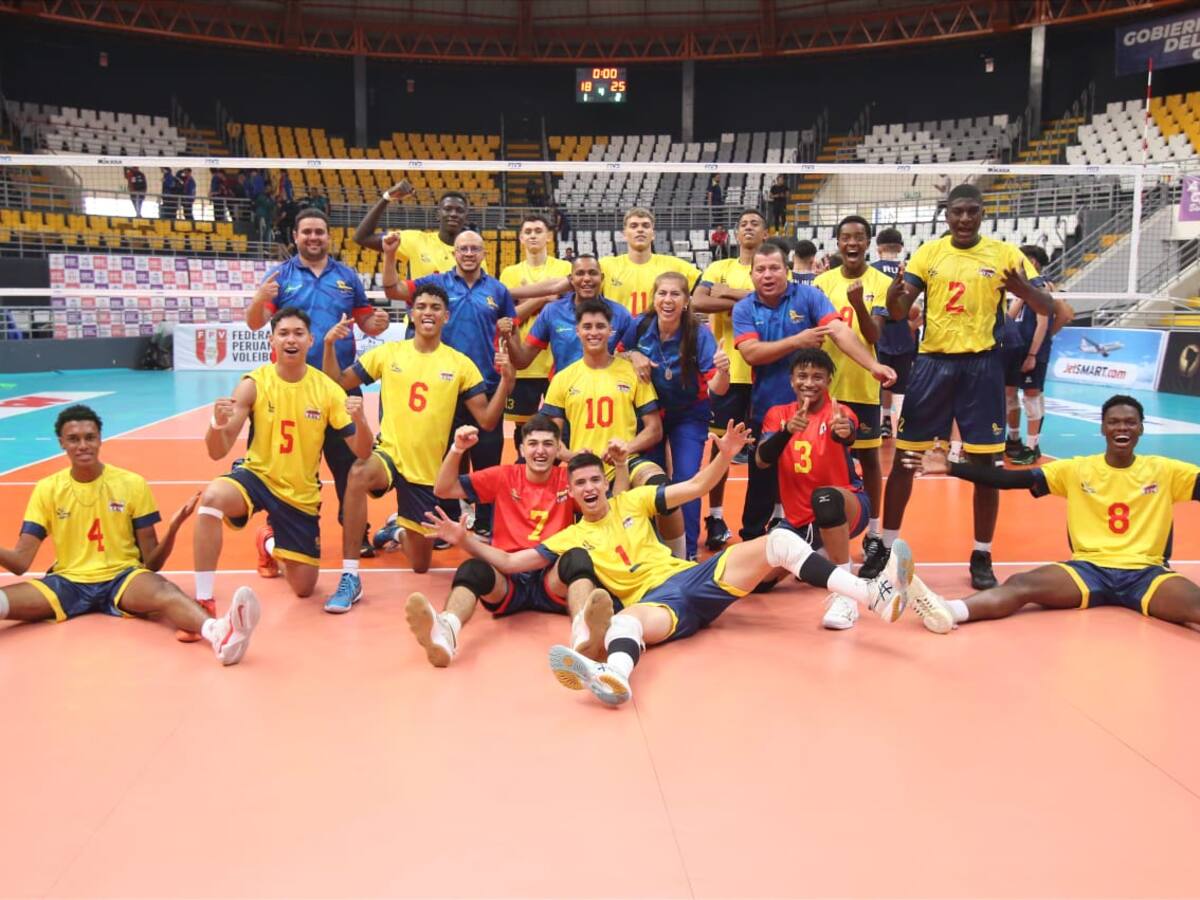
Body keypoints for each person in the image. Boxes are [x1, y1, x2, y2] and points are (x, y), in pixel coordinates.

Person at [426, 427, 913, 708]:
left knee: (779, 540)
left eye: (597, 479)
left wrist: (722, 457)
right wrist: (464, 539)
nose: (591, 488)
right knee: (623, 622)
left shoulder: (635, 499)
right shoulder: (569, 537)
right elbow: (512, 561)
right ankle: (613, 678)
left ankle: (871, 594)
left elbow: (698, 486)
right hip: (662, 609)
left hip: (693, 578)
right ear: (570, 494)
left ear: (604, 483)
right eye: (582, 484)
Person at [872, 182, 1054, 589]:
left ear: (982, 213)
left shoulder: (1005, 255)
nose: (966, 218)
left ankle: (982, 554)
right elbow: (899, 311)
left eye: (973, 211)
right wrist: (895, 295)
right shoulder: (929, 253)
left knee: (985, 464)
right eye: (958, 212)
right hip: (933, 364)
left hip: (982, 367)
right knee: (905, 459)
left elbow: (1050, 309)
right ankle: (885, 546)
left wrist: (1022, 289)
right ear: (947, 214)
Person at [902, 395, 1200, 634]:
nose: (1122, 428)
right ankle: (949, 611)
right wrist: (953, 468)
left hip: (1147, 573)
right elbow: (1011, 480)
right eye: (1114, 422)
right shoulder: (1076, 469)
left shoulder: (1165, 470)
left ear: (1141, 428)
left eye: (1130, 423)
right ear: (1102, 428)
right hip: (1088, 569)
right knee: (1022, 583)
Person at [0, 405, 260, 666]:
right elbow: (21, 562)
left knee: (165, 590)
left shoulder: (131, 483)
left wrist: (172, 529)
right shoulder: (47, 489)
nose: (83, 445)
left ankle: (220, 635)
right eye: (73, 439)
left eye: (90, 437)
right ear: (61, 443)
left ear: (100, 439)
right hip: (67, 582)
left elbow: (152, 564)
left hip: (122, 578)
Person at [320, 284, 514, 610]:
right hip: (390, 455)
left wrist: (507, 382)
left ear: (446, 316)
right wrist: (328, 345)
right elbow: (336, 384)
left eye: (435, 308)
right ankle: (350, 575)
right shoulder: (389, 354)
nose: (428, 312)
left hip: (427, 472)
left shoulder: (460, 364)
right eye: (421, 306)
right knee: (358, 473)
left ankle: (396, 532)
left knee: (421, 565)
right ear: (412, 313)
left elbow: (488, 421)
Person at [192, 307, 374, 634]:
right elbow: (216, 450)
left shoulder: (328, 389)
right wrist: (215, 424)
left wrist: (360, 420)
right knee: (213, 498)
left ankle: (267, 543)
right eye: (284, 333)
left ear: (310, 340)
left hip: (300, 494)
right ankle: (203, 600)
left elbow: (362, 452)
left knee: (304, 588)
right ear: (272, 339)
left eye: (298, 333)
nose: (291, 339)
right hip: (258, 476)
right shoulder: (254, 384)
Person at [405, 415, 614, 665]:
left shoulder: (568, 481)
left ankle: (584, 633)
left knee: (578, 557)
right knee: (472, 570)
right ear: (521, 449)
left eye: (548, 444)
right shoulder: (503, 476)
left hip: (551, 578)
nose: (540, 450)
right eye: (533, 443)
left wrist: (597, 462)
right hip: (507, 581)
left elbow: (609, 506)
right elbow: (444, 489)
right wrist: (457, 449)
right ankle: (445, 631)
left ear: (559, 449)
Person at [244, 208, 390, 555]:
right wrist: (258, 298)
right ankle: (288, 529)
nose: (313, 237)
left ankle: (358, 534)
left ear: (329, 236)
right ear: (295, 236)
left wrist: (378, 322)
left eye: (319, 232)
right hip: (291, 388)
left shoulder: (347, 277)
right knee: (289, 464)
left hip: (339, 384)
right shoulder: (279, 275)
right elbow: (254, 323)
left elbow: (365, 322)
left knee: (349, 465)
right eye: (306, 231)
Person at [733, 242, 896, 541]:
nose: (767, 275)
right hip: (769, 409)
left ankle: (826, 536)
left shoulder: (809, 296)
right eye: (760, 269)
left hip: (814, 410)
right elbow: (751, 353)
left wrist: (872, 364)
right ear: (752, 274)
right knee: (761, 481)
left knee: (820, 476)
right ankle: (754, 541)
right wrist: (798, 340)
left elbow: (839, 330)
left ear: (788, 271)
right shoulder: (744, 308)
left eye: (774, 268)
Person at [382, 229, 517, 537]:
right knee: (447, 460)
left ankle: (485, 523)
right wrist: (390, 255)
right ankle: (448, 521)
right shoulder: (436, 285)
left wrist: (507, 369)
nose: (469, 253)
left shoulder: (498, 291)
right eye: (463, 248)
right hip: (442, 390)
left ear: (484, 253)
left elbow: (510, 334)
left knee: (486, 459)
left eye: (474, 249)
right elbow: (393, 289)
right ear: (454, 253)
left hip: (485, 386)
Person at [539, 298, 686, 556]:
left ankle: (680, 563)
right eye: (587, 327)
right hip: (584, 467)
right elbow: (551, 440)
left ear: (611, 331)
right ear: (577, 331)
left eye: (599, 326)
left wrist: (626, 448)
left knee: (666, 494)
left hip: (627, 463)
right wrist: (571, 455)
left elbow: (654, 429)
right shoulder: (563, 379)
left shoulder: (632, 372)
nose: (593, 332)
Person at [756, 350, 874, 629]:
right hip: (798, 521)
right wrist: (786, 432)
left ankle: (845, 596)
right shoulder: (778, 415)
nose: (809, 383)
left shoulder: (839, 412)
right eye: (803, 376)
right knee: (758, 582)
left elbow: (845, 433)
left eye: (817, 377)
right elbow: (762, 460)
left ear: (829, 380)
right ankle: (819, 552)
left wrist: (844, 432)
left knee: (825, 497)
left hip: (847, 506)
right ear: (791, 380)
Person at [621, 272, 730, 559]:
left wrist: (723, 370)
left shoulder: (698, 333)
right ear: (654, 298)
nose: (667, 300)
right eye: (662, 293)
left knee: (685, 478)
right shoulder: (640, 326)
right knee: (651, 483)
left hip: (688, 414)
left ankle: (686, 554)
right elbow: (614, 356)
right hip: (649, 414)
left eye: (675, 294)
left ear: (685, 301)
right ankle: (654, 552)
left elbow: (717, 389)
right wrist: (632, 355)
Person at [813, 216, 895, 573]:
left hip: (862, 385)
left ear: (868, 243)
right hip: (826, 388)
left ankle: (874, 534)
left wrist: (859, 303)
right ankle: (824, 532)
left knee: (870, 460)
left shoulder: (883, 282)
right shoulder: (820, 283)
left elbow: (874, 337)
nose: (852, 243)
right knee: (825, 462)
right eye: (845, 237)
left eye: (859, 238)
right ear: (837, 242)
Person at [692, 208, 768, 551]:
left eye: (755, 224)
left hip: (767, 370)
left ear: (765, 233)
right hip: (729, 371)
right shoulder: (718, 268)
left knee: (766, 451)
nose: (748, 228)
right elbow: (698, 300)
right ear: (736, 234)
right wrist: (749, 297)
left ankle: (769, 517)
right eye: (743, 224)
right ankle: (717, 516)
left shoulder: (771, 267)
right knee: (722, 449)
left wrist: (731, 295)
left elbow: (771, 298)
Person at [499, 214, 574, 449]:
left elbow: (567, 308)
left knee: (564, 426)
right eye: (528, 231)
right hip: (525, 363)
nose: (533, 235)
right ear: (521, 238)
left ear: (549, 236)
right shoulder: (509, 273)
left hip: (558, 362)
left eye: (538, 230)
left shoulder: (564, 268)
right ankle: (525, 470)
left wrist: (526, 298)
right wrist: (545, 298)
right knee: (524, 429)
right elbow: (512, 319)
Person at [505, 254, 633, 377]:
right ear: (571, 279)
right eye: (580, 273)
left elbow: (634, 354)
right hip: (562, 395)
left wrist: (635, 355)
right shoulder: (553, 311)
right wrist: (509, 336)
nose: (587, 278)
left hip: (606, 392)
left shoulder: (620, 314)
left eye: (593, 273)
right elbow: (522, 362)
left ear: (602, 277)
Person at [1003, 245, 1073, 465]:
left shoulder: (1042, 287)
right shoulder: (1022, 289)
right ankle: (1013, 439)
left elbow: (1055, 317)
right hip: (1015, 348)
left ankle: (1032, 447)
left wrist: (1036, 350)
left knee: (1032, 396)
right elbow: (1010, 317)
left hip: (1032, 351)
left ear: (1032, 262)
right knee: (1009, 394)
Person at [354, 182, 469, 279]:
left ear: (466, 217)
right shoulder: (416, 240)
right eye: (448, 209)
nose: (453, 214)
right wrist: (387, 197)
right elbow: (362, 237)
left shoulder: (472, 252)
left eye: (459, 210)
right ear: (437, 215)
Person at [870, 227, 919, 440]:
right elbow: (916, 310)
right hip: (902, 336)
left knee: (878, 383)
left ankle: (879, 427)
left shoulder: (870, 270)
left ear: (878, 248)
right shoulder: (907, 271)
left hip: (877, 334)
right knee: (900, 386)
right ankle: (901, 431)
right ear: (900, 247)